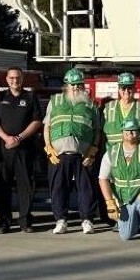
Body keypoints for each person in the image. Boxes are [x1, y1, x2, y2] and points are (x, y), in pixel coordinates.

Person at [43, 69, 101, 235]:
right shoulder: (55, 101)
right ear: (66, 86)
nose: (75, 88)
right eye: (72, 85)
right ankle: (61, 220)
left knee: (86, 188)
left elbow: (97, 129)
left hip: (83, 155)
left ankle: (87, 220)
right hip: (59, 154)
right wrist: (48, 148)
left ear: (83, 86)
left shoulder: (90, 104)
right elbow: (47, 126)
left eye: (78, 85)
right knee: (59, 188)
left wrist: (93, 149)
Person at [0, 66, 43, 233]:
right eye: (12, 78)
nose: (15, 80)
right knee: (3, 185)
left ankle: (25, 221)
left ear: (22, 79)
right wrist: (7, 138)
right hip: (4, 147)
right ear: (7, 80)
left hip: (24, 148)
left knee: (25, 186)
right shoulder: (0, 97)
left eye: (18, 78)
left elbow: (36, 121)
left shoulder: (30, 97)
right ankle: (4, 222)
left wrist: (19, 138)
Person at [98, 119, 140, 242]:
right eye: (127, 131)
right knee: (126, 235)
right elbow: (103, 179)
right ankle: (136, 221)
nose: (130, 133)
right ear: (122, 133)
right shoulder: (111, 152)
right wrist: (109, 202)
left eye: (134, 131)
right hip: (123, 197)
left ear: (139, 133)